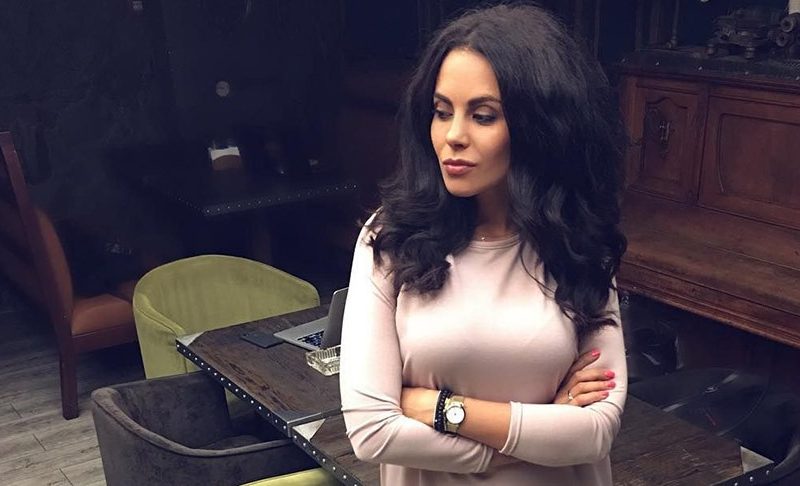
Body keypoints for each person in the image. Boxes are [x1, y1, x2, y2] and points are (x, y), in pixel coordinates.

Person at [339, 4, 628, 485]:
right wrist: (540, 434)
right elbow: (372, 432)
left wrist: (437, 408)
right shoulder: (390, 237)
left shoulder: (577, 241)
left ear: (539, 127)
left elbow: (594, 433)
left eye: (483, 115)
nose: (453, 136)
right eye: (441, 112)